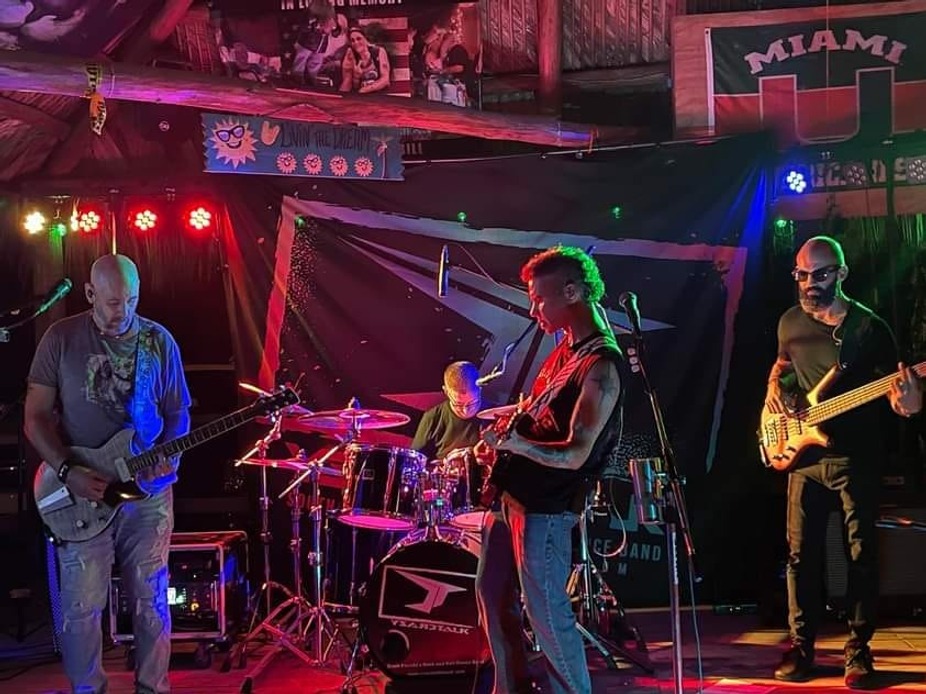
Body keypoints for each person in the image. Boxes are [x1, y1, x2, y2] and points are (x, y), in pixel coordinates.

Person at [24, 254, 192, 694]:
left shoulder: (158, 341)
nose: (125, 311)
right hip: (82, 490)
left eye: (132, 300)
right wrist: (68, 471)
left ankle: (153, 688)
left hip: (148, 494)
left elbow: (178, 413)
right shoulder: (61, 338)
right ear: (90, 294)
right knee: (81, 606)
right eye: (114, 302)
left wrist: (169, 455)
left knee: (151, 599)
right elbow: (35, 418)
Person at [764, 236, 922, 689]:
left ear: (842, 273)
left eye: (820, 275)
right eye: (801, 275)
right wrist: (774, 391)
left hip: (856, 457)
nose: (809, 284)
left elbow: (900, 392)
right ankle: (801, 647)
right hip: (804, 455)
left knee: (860, 555)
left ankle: (858, 650)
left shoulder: (869, 329)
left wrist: (910, 404)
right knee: (800, 556)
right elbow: (782, 366)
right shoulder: (789, 321)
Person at [475, 246, 624, 694]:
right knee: (492, 593)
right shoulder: (565, 352)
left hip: (547, 507)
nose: (533, 309)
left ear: (572, 292)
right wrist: (505, 440)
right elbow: (539, 419)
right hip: (513, 497)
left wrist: (515, 444)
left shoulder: (601, 365)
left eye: (539, 299)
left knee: (548, 617)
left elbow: (576, 453)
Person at [411, 360, 485, 517]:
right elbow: (415, 464)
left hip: (487, 498)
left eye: (472, 403)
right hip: (445, 499)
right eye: (458, 404)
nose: (465, 410)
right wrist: (438, 469)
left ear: (480, 388)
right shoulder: (433, 418)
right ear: (446, 391)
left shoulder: (495, 415)